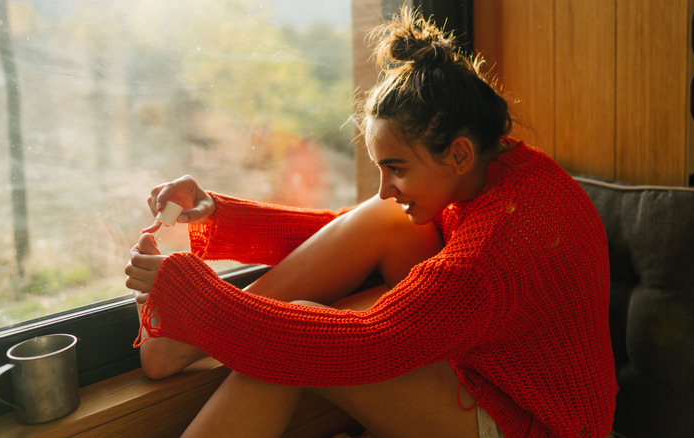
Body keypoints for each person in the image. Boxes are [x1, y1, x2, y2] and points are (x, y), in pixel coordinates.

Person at [125, 7, 617, 438]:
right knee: (387, 219)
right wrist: (216, 212)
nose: (385, 186)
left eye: (397, 168)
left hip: (529, 425)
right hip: (491, 357)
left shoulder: (489, 255)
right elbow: (345, 227)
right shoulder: (496, 170)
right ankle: (179, 341)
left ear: (459, 153)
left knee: (295, 343)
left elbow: (363, 347)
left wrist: (196, 295)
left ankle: (182, 331)